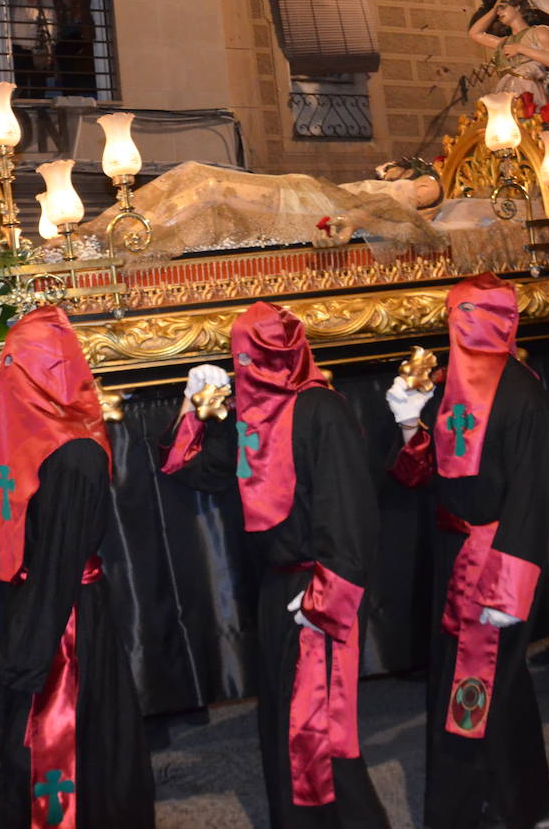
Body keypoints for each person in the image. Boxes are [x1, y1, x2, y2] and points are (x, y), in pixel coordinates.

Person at [163, 301, 388, 828]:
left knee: (322, 736)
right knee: (284, 729)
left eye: (246, 354)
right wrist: (199, 411)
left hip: (315, 591)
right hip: (275, 589)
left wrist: (323, 603)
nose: (239, 365)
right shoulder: (250, 412)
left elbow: (350, 517)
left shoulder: (321, 411)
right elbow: (198, 472)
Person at [384, 274, 549, 829]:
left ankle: (477, 811)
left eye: (464, 315)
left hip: (494, 560)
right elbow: (425, 476)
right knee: (491, 685)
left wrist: (508, 589)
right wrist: (411, 422)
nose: (452, 326)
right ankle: (521, 803)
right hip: (451, 552)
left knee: (480, 685)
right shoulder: (450, 387)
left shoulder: (523, 395)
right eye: (451, 314)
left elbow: (533, 497)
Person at [0, 306, 155, 829]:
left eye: (14, 364)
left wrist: (26, 655)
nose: (4, 377)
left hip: (66, 623)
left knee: (57, 742)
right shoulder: (51, 444)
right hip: (56, 606)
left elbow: (59, 564)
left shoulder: (73, 456)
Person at [468, 0, 549, 104]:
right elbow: (474, 34)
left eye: (503, 8)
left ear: (517, 7)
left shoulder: (539, 32)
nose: (499, 13)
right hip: (505, 93)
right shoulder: (503, 42)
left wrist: (521, 49)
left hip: (528, 90)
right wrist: (493, 11)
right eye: (498, 11)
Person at [8, 0, 64, 99]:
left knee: (40, 80)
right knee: (22, 79)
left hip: (42, 40)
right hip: (21, 38)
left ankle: (39, 110)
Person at [52, 0, 99, 97]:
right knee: (63, 58)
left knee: (76, 60)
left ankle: (76, 93)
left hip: (81, 30)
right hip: (61, 31)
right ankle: (69, 93)